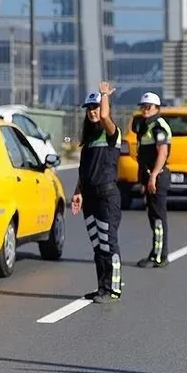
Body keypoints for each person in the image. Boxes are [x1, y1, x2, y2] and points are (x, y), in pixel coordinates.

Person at [70, 82, 123, 304]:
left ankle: (114, 289)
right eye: (89, 108)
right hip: (90, 197)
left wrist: (104, 96)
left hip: (107, 196)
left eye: (96, 107)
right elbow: (84, 171)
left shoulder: (111, 133)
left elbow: (104, 118)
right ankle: (102, 287)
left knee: (108, 242)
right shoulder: (89, 140)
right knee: (97, 244)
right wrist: (77, 193)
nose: (93, 112)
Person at [133, 92, 172, 268]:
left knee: (158, 217)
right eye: (143, 106)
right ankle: (156, 252)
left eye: (148, 107)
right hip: (149, 175)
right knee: (153, 215)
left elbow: (162, 153)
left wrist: (154, 176)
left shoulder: (158, 127)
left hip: (157, 175)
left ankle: (159, 255)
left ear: (157, 108)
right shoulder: (145, 126)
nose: (145, 110)